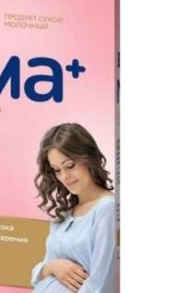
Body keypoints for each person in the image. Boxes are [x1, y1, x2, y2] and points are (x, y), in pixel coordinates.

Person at [32, 123, 115, 293]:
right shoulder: (63, 213)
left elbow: (101, 285)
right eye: (57, 170)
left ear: (88, 158)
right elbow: (37, 276)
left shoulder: (107, 210)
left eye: (70, 165)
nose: (64, 176)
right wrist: (53, 267)